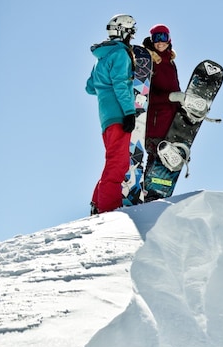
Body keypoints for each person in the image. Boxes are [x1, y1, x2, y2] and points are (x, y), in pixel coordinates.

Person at [86, 14, 138, 215]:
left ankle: (96, 202)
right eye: (131, 33)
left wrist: (104, 89)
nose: (131, 38)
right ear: (124, 31)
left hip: (105, 118)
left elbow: (90, 88)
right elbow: (120, 84)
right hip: (118, 115)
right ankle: (106, 210)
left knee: (113, 160)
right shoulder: (120, 54)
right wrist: (129, 112)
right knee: (118, 163)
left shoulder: (101, 57)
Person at [142, 24, 181, 174]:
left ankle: (161, 190)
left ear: (169, 39)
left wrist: (180, 103)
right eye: (156, 38)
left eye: (163, 37)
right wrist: (170, 97)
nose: (160, 42)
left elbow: (174, 88)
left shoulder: (170, 63)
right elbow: (143, 93)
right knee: (155, 157)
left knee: (166, 162)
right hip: (155, 122)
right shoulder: (147, 61)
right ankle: (148, 191)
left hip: (171, 122)